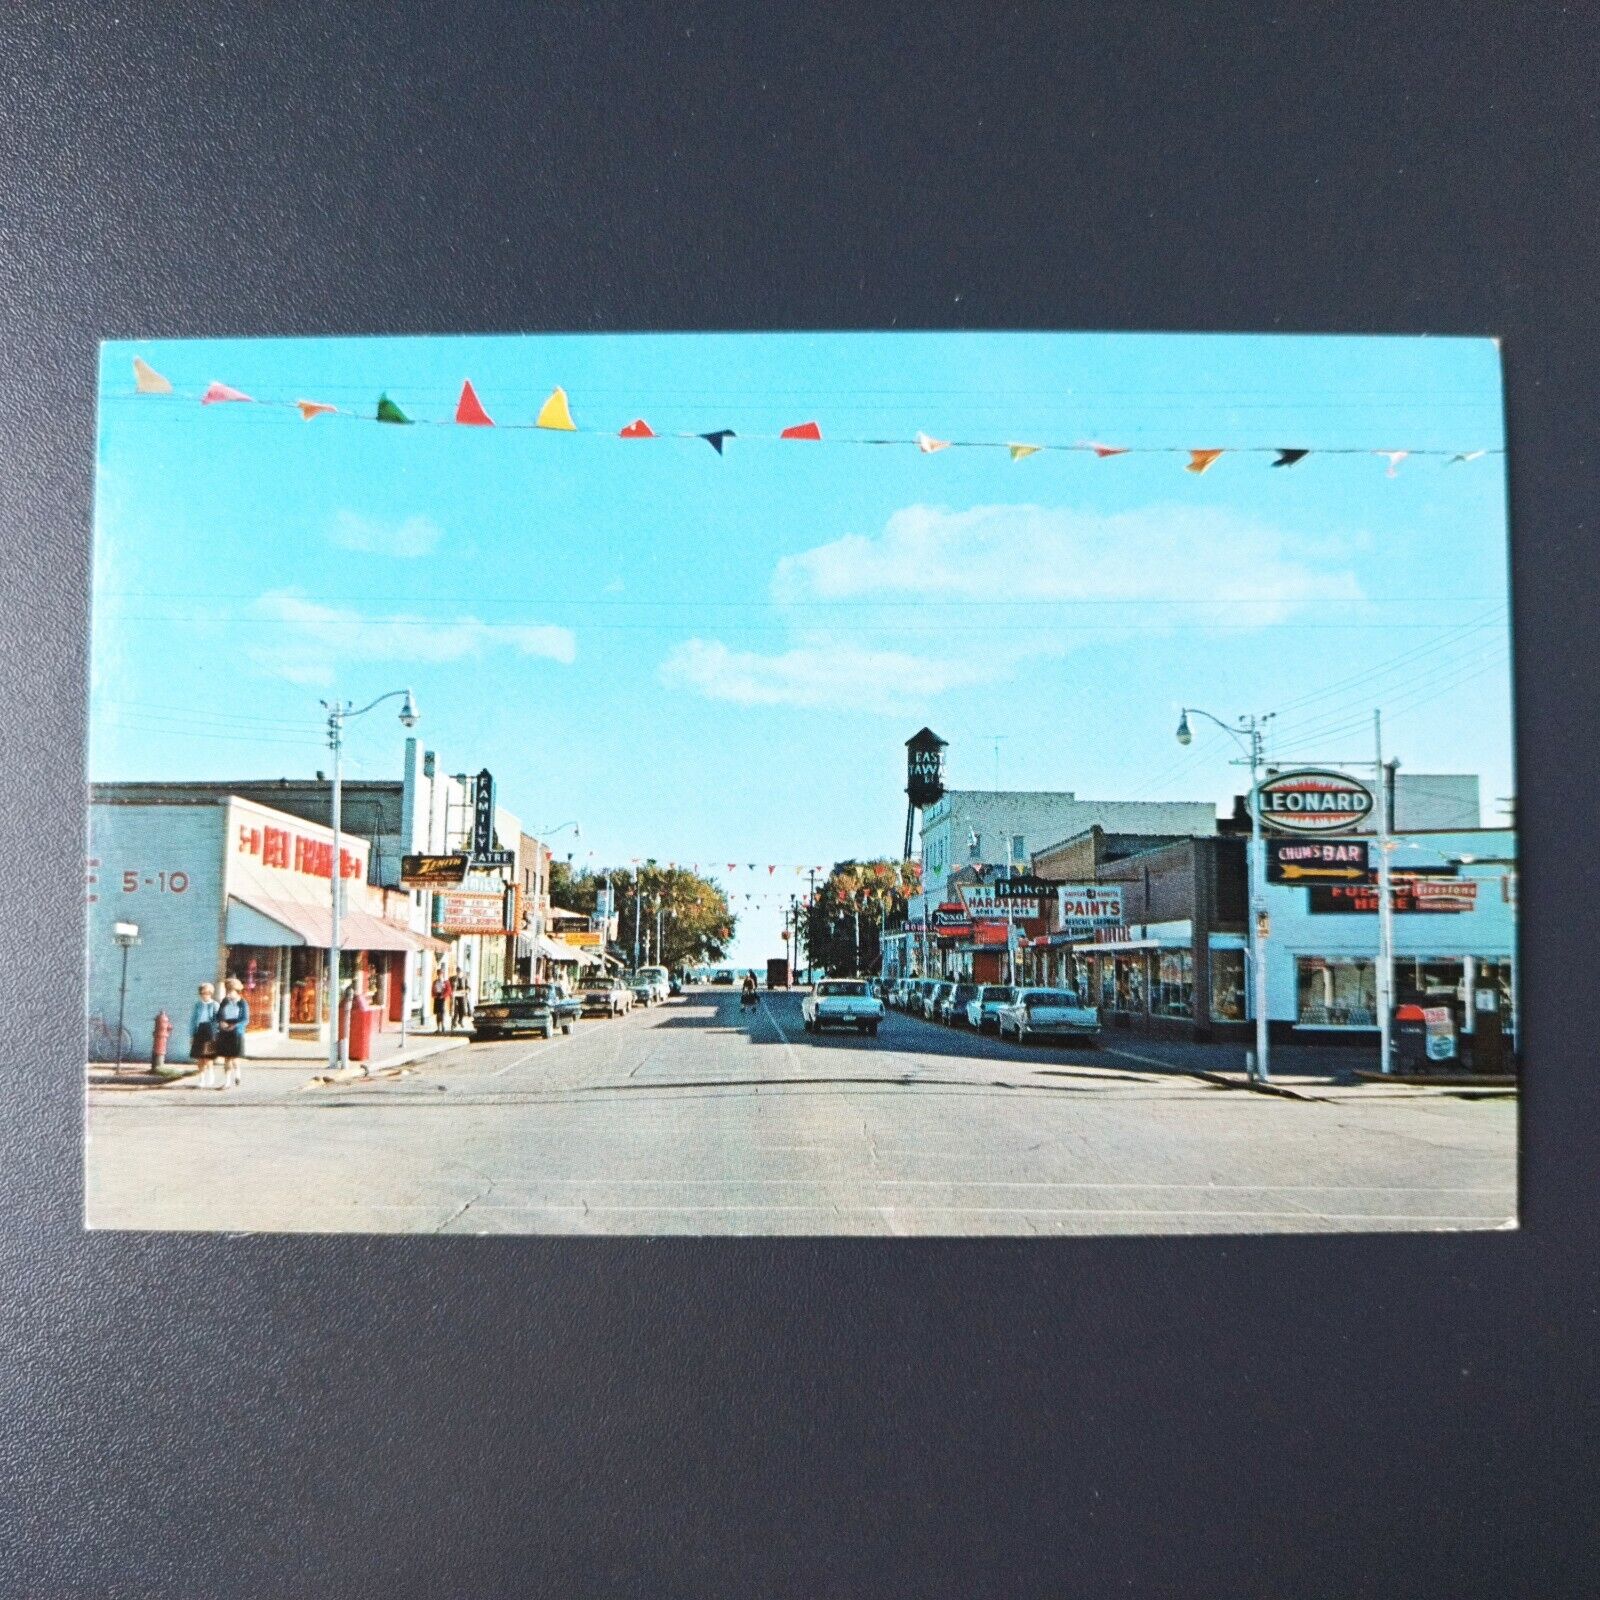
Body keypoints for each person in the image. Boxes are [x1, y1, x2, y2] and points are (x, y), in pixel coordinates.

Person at [213, 978, 249, 1089]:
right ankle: (227, 1081)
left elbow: (245, 1019)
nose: (229, 993)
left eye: (231, 990)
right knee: (227, 1058)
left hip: (236, 1031)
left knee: (234, 1057)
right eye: (227, 990)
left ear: (237, 991)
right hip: (225, 1030)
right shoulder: (224, 1001)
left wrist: (235, 1025)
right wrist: (221, 1022)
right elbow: (218, 1015)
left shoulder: (242, 1003)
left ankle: (237, 1072)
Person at [189, 982, 218, 1084]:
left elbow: (217, 1020)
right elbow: (193, 1020)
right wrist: (192, 1035)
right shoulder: (197, 1005)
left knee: (208, 1057)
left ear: (211, 993)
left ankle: (210, 1073)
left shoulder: (215, 1005)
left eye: (208, 993)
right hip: (199, 1030)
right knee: (200, 1057)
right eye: (203, 993)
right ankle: (201, 1079)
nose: (205, 995)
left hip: (210, 1031)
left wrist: (216, 1034)